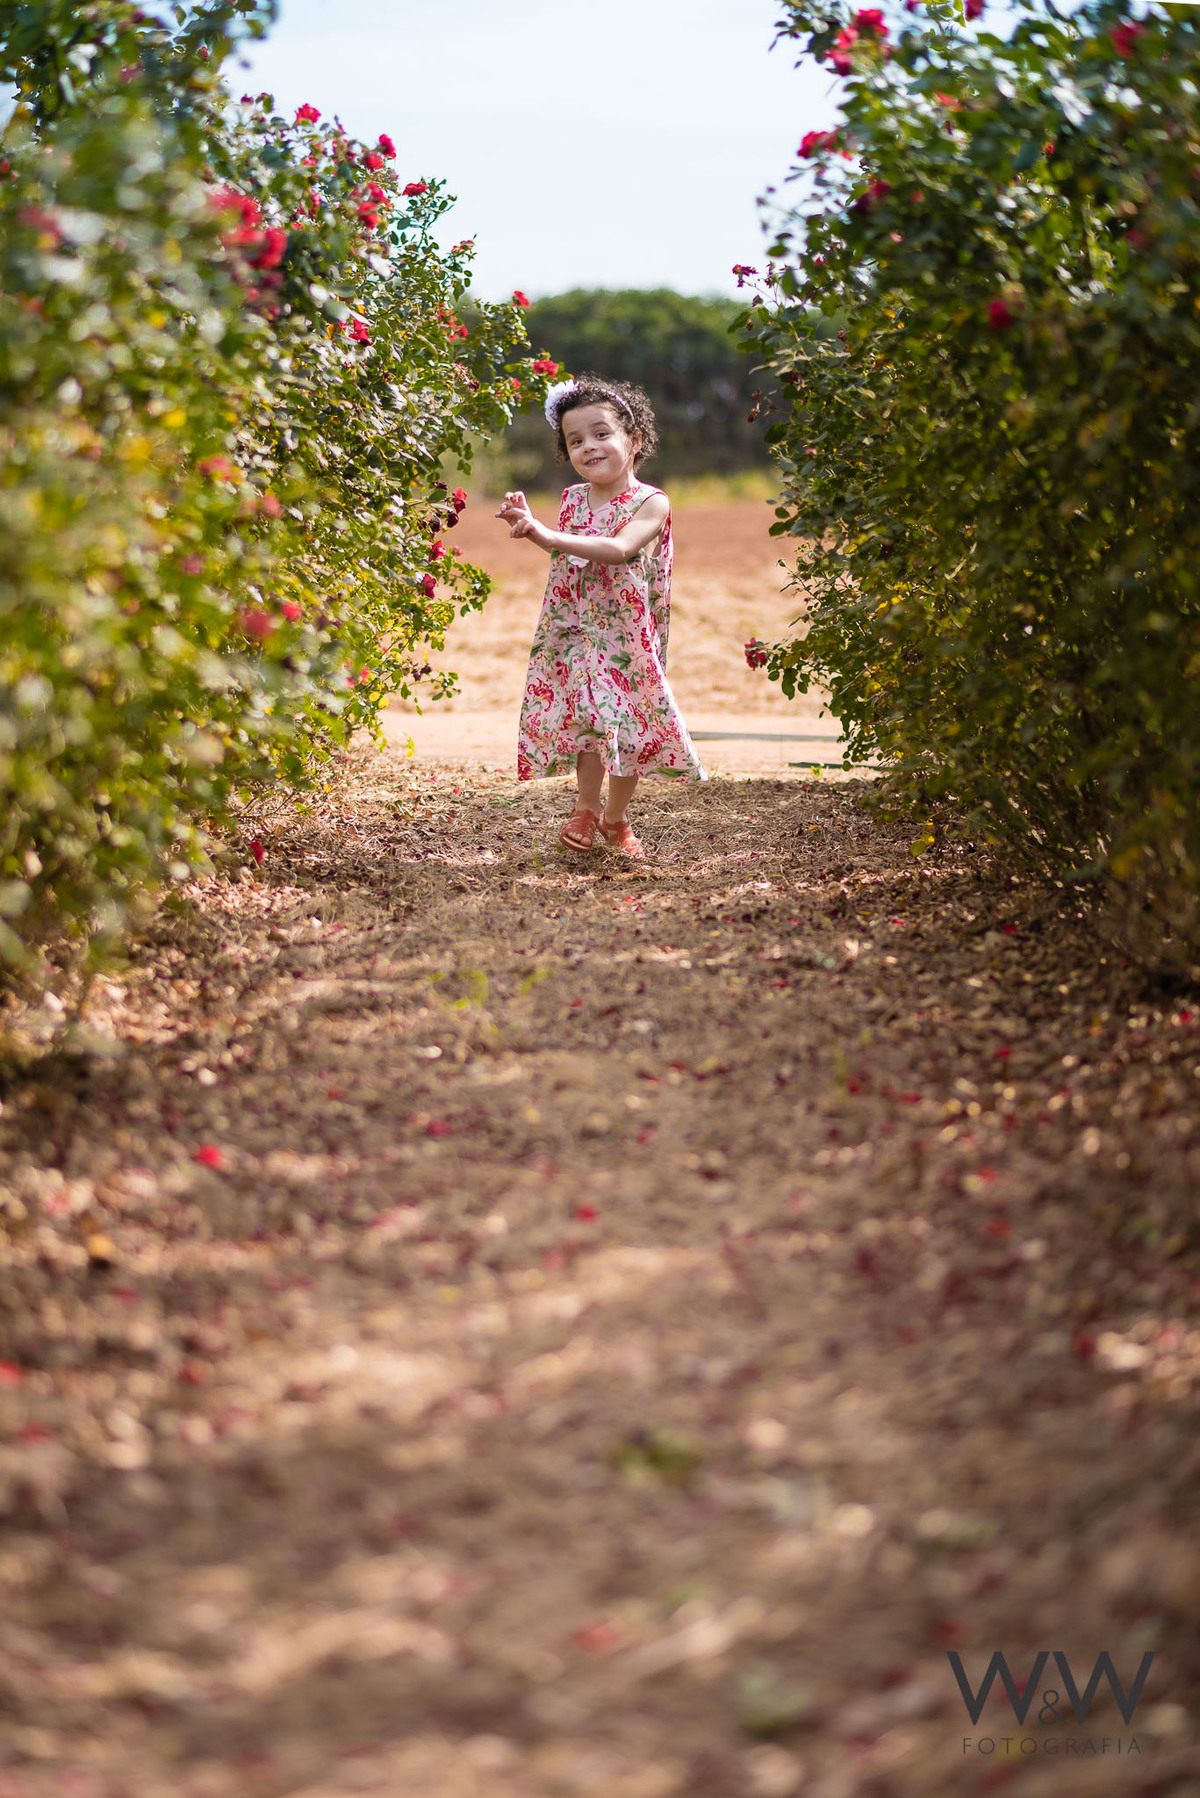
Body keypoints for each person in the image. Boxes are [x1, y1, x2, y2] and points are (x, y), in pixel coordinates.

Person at [496, 373, 707, 859]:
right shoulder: (573, 499)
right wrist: (533, 528)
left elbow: (618, 549)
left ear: (634, 439)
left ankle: (615, 816)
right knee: (588, 718)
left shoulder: (651, 502)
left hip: (626, 636)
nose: (588, 446)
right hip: (574, 628)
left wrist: (547, 534)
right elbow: (570, 555)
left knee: (627, 723)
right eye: (575, 440)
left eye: (601, 433)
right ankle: (586, 809)